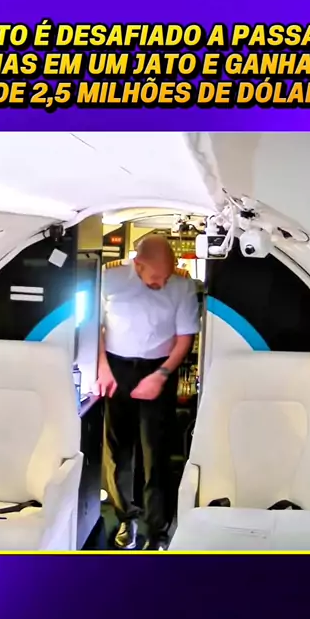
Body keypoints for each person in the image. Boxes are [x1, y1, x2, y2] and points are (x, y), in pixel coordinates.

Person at [96, 234, 200, 550]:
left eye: (167, 276)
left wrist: (161, 375)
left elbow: (185, 338)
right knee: (117, 451)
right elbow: (94, 326)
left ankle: (157, 528)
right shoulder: (110, 280)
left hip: (160, 368)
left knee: (156, 451)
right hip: (116, 367)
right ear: (138, 265)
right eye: (157, 276)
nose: (162, 282)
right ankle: (126, 517)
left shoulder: (182, 286)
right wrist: (102, 367)